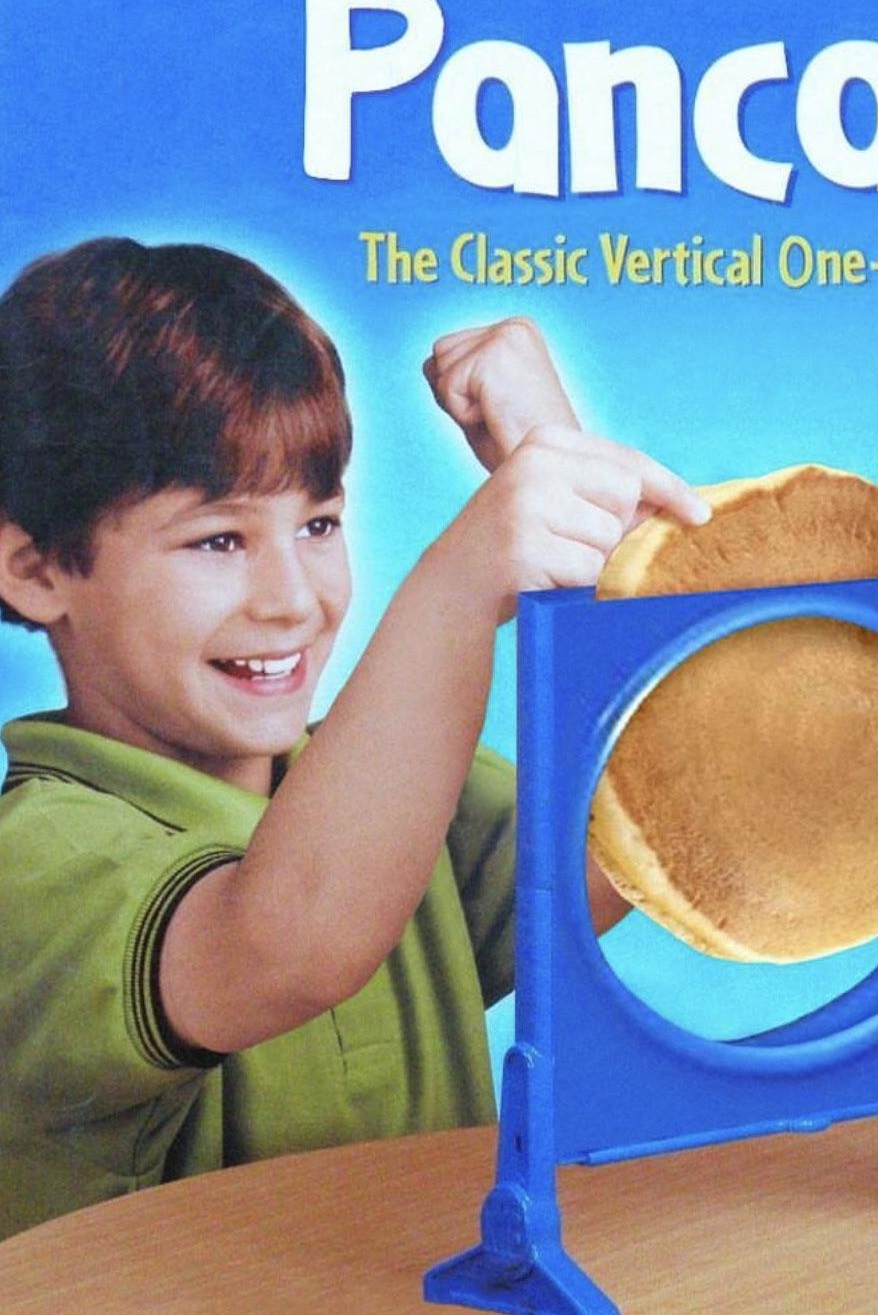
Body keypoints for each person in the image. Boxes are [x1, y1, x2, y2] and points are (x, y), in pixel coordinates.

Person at [0, 237, 708, 1239]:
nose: (292, 599)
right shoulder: (34, 859)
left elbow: (674, 822)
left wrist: (573, 472)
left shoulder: (399, 791)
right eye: (218, 538)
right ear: (36, 571)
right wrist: (458, 586)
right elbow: (291, 940)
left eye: (319, 525)